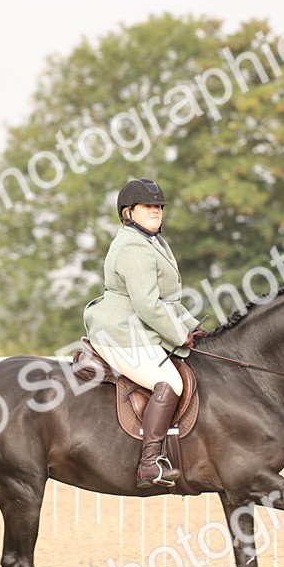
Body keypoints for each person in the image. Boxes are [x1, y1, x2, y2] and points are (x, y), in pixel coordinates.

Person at [84, 178, 205, 488]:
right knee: (171, 381)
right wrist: (179, 336)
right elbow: (148, 305)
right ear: (129, 212)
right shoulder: (131, 246)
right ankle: (149, 464)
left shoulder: (152, 242)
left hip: (137, 330)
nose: (156, 211)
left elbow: (169, 300)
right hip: (120, 332)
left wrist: (191, 326)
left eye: (159, 206)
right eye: (149, 206)